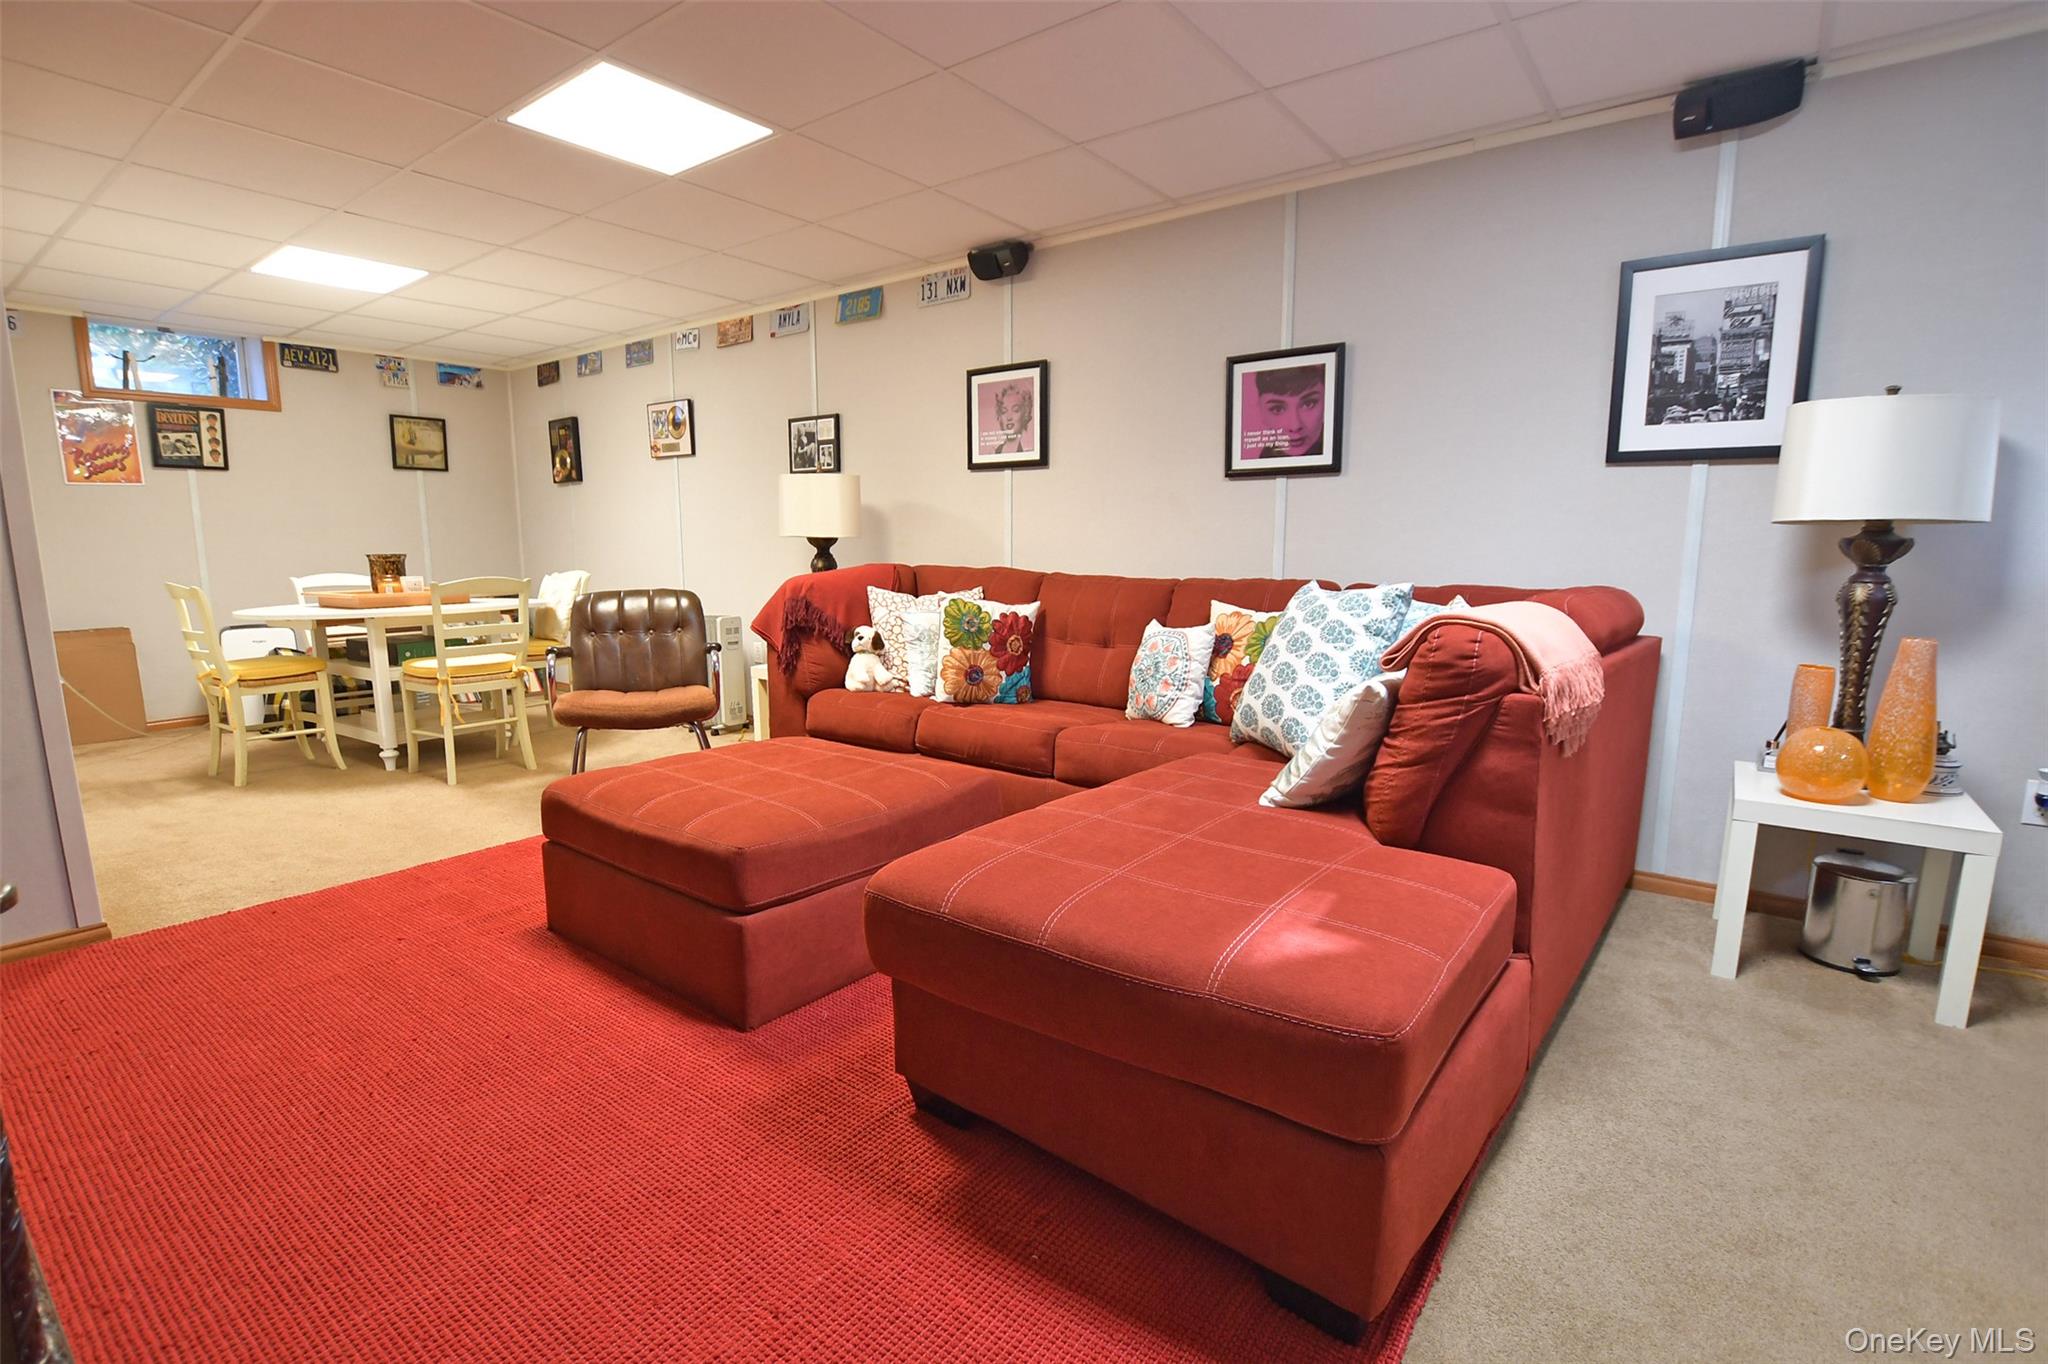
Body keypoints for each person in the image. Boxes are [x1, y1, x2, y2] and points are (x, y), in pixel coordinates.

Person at [1246, 366, 1323, 460]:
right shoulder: (1264, 458)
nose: (1295, 426)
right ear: (1260, 410)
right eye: (1277, 409)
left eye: (1308, 404)